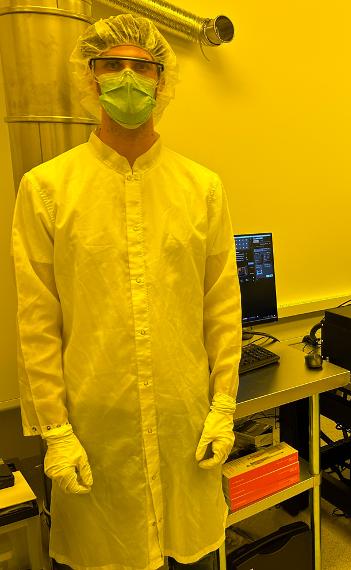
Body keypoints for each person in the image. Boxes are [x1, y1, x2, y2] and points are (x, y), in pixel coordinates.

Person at [11, 14, 242, 570]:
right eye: (111, 65)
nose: (128, 78)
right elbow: (37, 321)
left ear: (163, 83)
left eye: (143, 66)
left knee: (194, 556)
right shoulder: (46, 189)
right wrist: (56, 431)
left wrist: (224, 404)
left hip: (186, 424)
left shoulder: (201, 188)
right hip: (97, 435)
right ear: (89, 79)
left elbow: (221, 305)